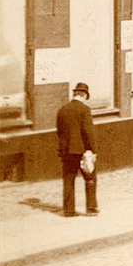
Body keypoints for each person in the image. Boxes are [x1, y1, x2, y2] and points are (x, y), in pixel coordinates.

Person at [56, 82, 98, 217]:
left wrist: (63, 148)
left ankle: (69, 210)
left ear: (75, 94)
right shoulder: (84, 109)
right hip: (81, 150)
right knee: (90, 177)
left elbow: (59, 132)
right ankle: (91, 208)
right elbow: (88, 132)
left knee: (68, 179)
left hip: (67, 150)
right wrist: (92, 150)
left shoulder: (63, 109)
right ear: (84, 95)